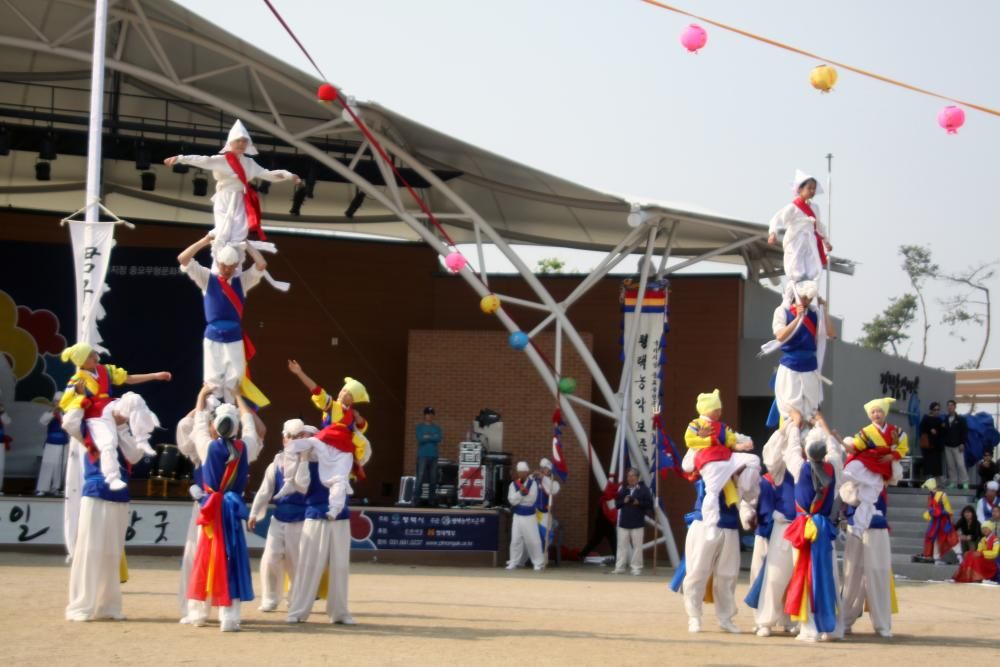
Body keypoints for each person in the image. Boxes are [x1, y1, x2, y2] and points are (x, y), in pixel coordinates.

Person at [184, 388, 262, 632]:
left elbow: (198, 423)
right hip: (230, 511)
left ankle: (198, 614)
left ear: (215, 427)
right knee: (231, 560)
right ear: (236, 427)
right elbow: (252, 428)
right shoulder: (245, 447)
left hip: (210, 511)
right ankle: (229, 617)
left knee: (205, 558)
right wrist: (239, 397)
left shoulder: (207, 446)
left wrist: (201, 395)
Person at [164, 120, 299, 257]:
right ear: (231, 143)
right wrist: (180, 158)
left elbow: (268, 175)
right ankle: (220, 258)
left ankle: (235, 260)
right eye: (238, 141)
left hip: (240, 199)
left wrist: (288, 175)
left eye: (244, 141)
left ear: (248, 144)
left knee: (240, 232)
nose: (241, 144)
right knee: (223, 229)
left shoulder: (249, 163)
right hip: (224, 197)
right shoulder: (221, 160)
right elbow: (202, 160)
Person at [65, 405, 146, 621]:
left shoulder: (123, 434)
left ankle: (108, 606)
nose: (122, 415)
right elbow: (69, 423)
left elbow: (136, 455)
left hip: (119, 497)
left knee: (112, 553)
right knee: (89, 550)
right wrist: (81, 401)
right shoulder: (91, 430)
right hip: (95, 493)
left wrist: (123, 429)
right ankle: (81, 606)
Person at [58, 342, 168, 492]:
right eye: (90, 356)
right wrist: (80, 393)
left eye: (93, 353)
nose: (95, 357)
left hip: (110, 405)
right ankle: (112, 477)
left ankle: (141, 438)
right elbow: (68, 402)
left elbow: (128, 378)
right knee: (108, 443)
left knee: (134, 399)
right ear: (82, 362)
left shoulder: (106, 370)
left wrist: (155, 376)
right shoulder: (78, 379)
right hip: (96, 415)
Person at [178, 236, 271, 406]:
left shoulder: (241, 281)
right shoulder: (207, 278)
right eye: (223, 265)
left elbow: (261, 265)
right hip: (212, 336)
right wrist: (205, 240)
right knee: (212, 382)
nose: (227, 270)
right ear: (217, 262)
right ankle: (209, 416)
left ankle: (232, 418)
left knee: (234, 382)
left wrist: (247, 245)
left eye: (231, 267)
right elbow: (183, 259)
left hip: (234, 337)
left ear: (236, 266)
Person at [284, 360, 371, 514]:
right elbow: (316, 390)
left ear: (353, 399)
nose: (343, 393)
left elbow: (361, 429)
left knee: (340, 479)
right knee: (302, 449)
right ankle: (288, 481)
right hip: (326, 441)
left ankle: (335, 508)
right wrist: (299, 373)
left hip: (342, 449)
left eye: (348, 393)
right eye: (343, 390)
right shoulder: (332, 405)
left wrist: (358, 419)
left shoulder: (352, 414)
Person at [784, 433, 843, 642]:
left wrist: (793, 427)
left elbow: (790, 451)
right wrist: (826, 431)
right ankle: (833, 626)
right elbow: (836, 452)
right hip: (824, 527)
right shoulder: (832, 469)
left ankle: (809, 627)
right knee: (828, 576)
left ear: (807, 452)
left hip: (805, 527)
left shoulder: (801, 468)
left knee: (804, 575)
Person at [248, 419, 310, 613]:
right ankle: (270, 598)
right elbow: (264, 491)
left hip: (301, 521)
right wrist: (253, 513)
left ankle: (295, 599)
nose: (293, 441)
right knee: (270, 559)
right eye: (290, 437)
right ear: (284, 439)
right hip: (278, 518)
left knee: (296, 563)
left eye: (298, 437)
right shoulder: (275, 464)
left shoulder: (311, 462)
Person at [682, 389, 760, 541]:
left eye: (720, 410)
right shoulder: (696, 424)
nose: (719, 413)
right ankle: (710, 524)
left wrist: (741, 446)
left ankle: (744, 493)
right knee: (713, 491)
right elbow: (689, 441)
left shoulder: (723, 426)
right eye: (716, 410)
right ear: (707, 409)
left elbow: (731, 440)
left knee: (753, 461)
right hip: (709, 462)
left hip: (725, 458)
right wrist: (707, 440)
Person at [748, 420, 799, 637]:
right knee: (775, 575)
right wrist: (786, 429)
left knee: (802, 577)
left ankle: (793, 619)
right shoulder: (781, 469)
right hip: (784, 526)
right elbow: (769, 455)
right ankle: (765, 620)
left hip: (808, 527)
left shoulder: (814, 465)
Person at [763, 280, 836, 422]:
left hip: (810, 365)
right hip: (790, 365)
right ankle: (793, 438)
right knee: (792, 410)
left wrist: (824, 310)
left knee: (812, 410)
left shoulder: (815, 312)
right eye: (804, 297)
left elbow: (831, 334)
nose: (807, 301)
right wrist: (797, 318)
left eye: (809, 298)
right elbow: (780, 336)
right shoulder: (782, 311)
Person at [679, 479, 742, 634]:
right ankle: (694, 616)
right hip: (705, 523)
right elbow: (691, 466)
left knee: (728, 574)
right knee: (697, 571)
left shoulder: (742, 464)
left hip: (730, 525)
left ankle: (725, 618)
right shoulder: (708, 458)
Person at [840, 397, 907, 537]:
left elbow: (903, 446)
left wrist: (892, 455)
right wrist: (844, 444)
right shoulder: (866, 431)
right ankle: (840, 479)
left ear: (885, 413)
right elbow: (856, 446)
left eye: (879, 411)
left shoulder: (895, 431)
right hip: (869, 460)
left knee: (875, 492)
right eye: (873, 412)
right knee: (853, 471)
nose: (876, 414)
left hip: (883, 464)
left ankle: (865, 525)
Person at [841, 484, 897, 638]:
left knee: (878, 574)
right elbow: (846, 495)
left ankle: (882, 624)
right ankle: (844, 619)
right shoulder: (853, 466)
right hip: (856, 525)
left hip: (876, 524)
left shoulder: (880, 468)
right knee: (851, 575)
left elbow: (894, 474)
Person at [767, 170, 832, 284]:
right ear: (800, 189)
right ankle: (792, 297)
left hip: (810, 241)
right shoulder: (792, 207)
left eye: (813, 188)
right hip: (796, 241)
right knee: (796, 269)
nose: (812, 191)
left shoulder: (815, 208)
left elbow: (819, 226)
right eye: (809, 188)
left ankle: (807, 294)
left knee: (813, 270)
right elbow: (777, 219)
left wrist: (826, 241)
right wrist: (773, 233)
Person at [613, 468, 652, 575]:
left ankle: (636, 567)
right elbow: (617, 505)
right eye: (628, 476)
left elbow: (649, 505)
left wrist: (638, 502)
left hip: (637, 522)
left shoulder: (643, 490)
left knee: (637, 547)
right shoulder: (623, 490)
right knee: (621, 546)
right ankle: (620, 567)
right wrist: (623, 501)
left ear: (637, 477)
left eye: (632, 476)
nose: (630, 478)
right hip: (624, 522)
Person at [507, 461, 544, 570]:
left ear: (527, 472)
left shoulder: (533, 484)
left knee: (533, 540)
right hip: (517, 516)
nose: (521, 474)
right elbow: (512, 500)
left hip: (529, 516)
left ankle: (538, 562)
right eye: (520, 472)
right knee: (515, 540)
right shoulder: (513, 485)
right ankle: (514, 561)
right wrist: (521, 493)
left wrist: (521, 496)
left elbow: (531, 499)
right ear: (518, 473)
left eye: (523, 472)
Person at [920, 477, 961, 565]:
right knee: (935, 538)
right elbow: (930, 508)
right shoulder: (930, 496)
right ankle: (936, 557)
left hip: (944, 520)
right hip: (935, 521)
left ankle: (959, 555)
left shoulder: (942, 495)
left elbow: (948, 509)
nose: (929, 490)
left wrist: (948, 517)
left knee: (950, 537)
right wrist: (931, 512)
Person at [35, 392, 69, 496]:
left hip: (64, 443)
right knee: (48, 464)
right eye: (56, 401)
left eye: (59, 401)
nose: (57, 403)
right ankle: (42, 488)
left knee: (60, 466)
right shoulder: (49, 412)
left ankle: (56, 488)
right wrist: (54, 413)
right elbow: (42, 421)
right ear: (53, 402)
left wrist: (61, 414)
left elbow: (68, 424)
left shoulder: (66, 413)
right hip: (51, 442)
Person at [415, 407, 442, 506]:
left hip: (434, 455)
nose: (429, 416)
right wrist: (432, 437)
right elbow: (420, 439)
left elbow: (438, 438)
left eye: (431, 414)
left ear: (433, 416)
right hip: (422, 455)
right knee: (420, 478)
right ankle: (416, 500)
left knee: (433, 479)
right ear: (424, 415)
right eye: (427, 414)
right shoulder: (419, 427)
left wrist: (427, 436)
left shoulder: (437, 428)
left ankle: (432, 501)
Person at [536, 458, 561, 562]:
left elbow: (553, 489)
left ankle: (543, 558)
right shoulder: (535, 480)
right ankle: (535, 559)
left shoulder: (553, 482)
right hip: (535, 514)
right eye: (542, 468)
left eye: (545, 469)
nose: (543, 470)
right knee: (534, 537)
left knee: (545, 537)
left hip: (546, 514)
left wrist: (544, 478)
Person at [941, 399, 969, 489]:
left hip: (958, 446)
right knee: (950, 465)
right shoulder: (945, 419)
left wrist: (962, 443)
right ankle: (953, 482)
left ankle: (964, 482)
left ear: (955, 407)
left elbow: (964, 432)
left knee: (960, 464)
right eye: (948, 405)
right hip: (948, 446)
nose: (950, 407)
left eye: (951, 405)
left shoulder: (960, 419)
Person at [919, 402, 944, 479]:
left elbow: (942, 432)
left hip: (936, 446)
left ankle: (936, 481)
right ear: (931, 410)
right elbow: (921, 429)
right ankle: (929, 480)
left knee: (937, 464)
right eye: (935, 409)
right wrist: (930, 430)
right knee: (928, 463)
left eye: (938, 410)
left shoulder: (940, 420)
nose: (936, 411)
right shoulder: (926, 419)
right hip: (928, 445)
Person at [0, 399, 10, 494]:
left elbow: (7, 422)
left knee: (0, 466)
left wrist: (2, 412)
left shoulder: (2, 412)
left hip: (0, 442)